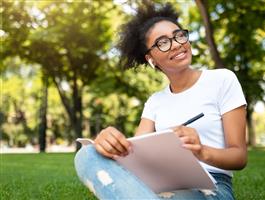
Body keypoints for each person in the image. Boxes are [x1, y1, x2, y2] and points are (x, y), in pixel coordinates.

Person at [74, 2, 247, 200]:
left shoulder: (222, 79)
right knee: (87, 155)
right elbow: (134, 158)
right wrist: (108, 143)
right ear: (151, 59)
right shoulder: (155, 101)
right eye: (163, 42)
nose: (176, 44)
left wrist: (201, 151)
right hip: (161, 185)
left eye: (179, 35)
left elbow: (239, 156)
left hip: (212, 188)